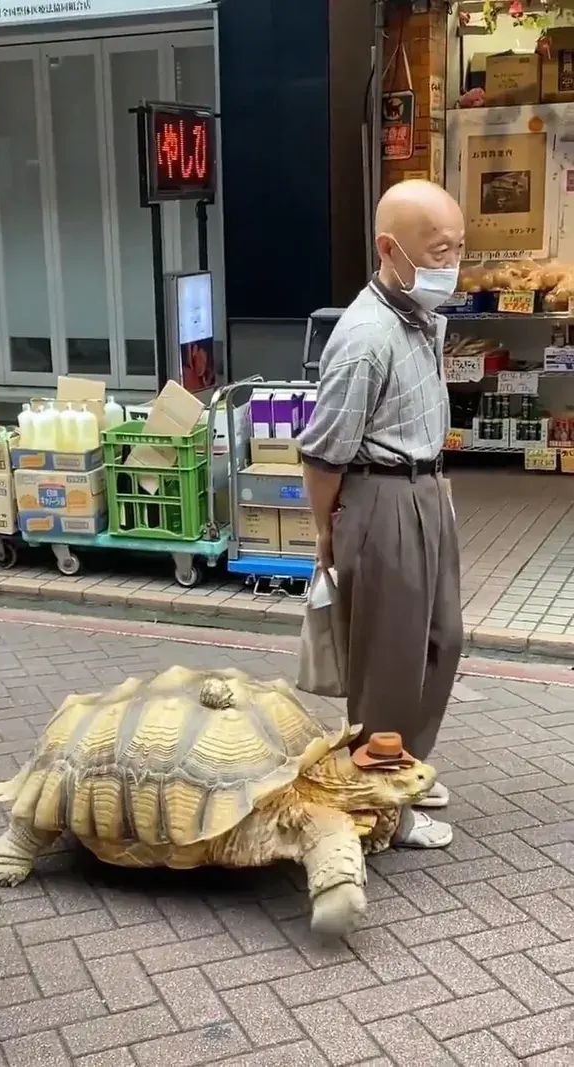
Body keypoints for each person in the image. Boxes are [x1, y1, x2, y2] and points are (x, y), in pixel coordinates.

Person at [298, 179, 464, 849]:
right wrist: (326, 534)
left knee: (441, 640)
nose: (452, 263)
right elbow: (322, 453)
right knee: (389, 661)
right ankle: (381, 804)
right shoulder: (365, 336)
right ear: (389, 250)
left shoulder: (415, 317)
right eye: (439, 249)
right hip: (380, 497)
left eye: (458, 247)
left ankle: (406, 766)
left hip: (423, 491)